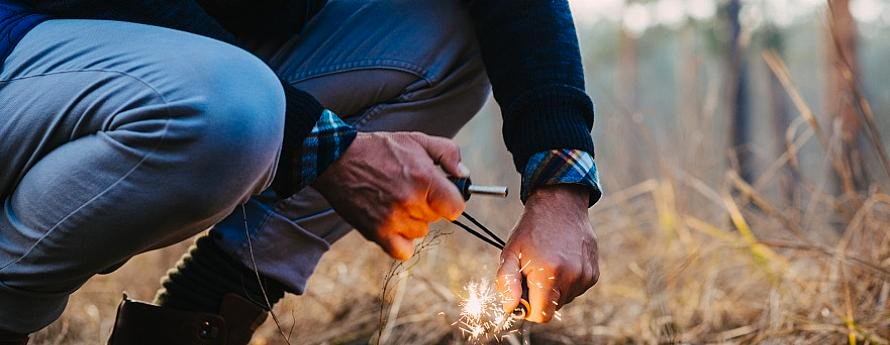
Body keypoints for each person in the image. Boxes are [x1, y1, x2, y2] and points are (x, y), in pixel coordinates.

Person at [0, 0, 603, 344]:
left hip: (196, 60)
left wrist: (559, 186)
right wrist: (325, 143)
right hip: (30, 44)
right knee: (235, 106)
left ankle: (206, 310)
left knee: (446, 35)